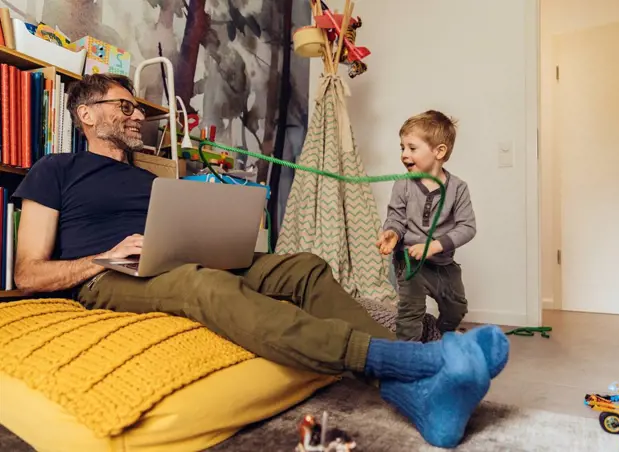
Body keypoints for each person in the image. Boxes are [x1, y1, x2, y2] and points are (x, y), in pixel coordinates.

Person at [12, 74, 508, 448]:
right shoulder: (56, 169)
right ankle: (413, 363)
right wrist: (104, 257)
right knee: (201, 285)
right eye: (124, 105)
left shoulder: (151, 177)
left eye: (137, 106)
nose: (137, 114)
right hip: (109, 276)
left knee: (303, 266)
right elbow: (27, 273)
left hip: (175, 257)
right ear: (87, 115)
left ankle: (415, 393)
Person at [377, 110, 476, 341]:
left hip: (442, 263)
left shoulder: (458, 188)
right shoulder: (403, 185)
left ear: (439, 151)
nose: (404, 154)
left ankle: (439, 336)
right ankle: (408, 357)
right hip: (410, 262)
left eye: (412, 148)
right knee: (410, 313)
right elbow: (396, 218)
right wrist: (392, 232)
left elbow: (467, 227)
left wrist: (434, 246)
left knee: (456, 308)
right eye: (402, 148)